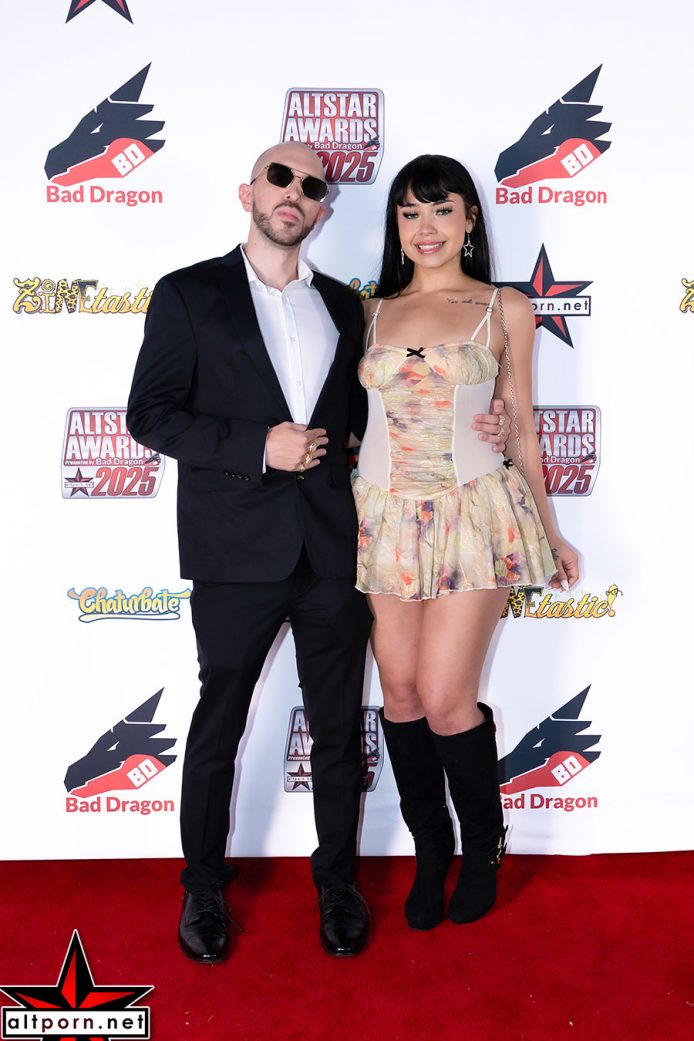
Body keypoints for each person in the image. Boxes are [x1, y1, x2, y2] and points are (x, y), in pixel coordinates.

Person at [126, 142, 511, 963]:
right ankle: (203, 886)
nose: (294, 192)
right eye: (280, 177)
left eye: (311, 185)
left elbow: (382, 419)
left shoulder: (346, 306)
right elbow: (149, 415)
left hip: (338, 548)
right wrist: (254, 446)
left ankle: (338, 883)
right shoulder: (189, 293)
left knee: (339, 729)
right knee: (219, 725)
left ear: (322, 208)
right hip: (234, 552)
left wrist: (493, 418)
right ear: (248, 192)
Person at [354, 154, 579, 931]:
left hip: (475, 514)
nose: (427, 227)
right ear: (396, 224)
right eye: (411, 212)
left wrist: (550, 528)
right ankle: (431, 849)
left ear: (470, 219)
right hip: (383, 519)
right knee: (401, 695)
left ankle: (483, 845)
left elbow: (524, 427)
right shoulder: (369, 311)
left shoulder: (503, 306)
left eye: (442, 209)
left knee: (447, 698)